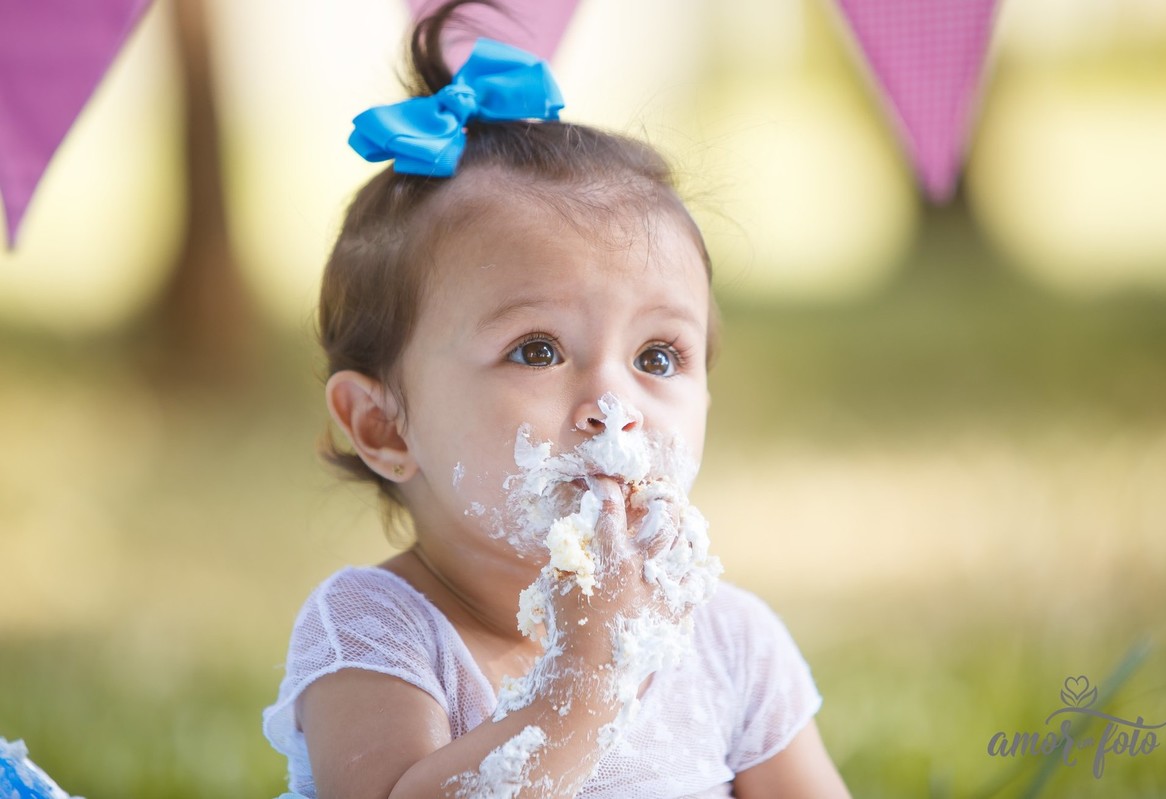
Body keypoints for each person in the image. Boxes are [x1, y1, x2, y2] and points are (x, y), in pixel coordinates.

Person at [263, 2, 851, 796]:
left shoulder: (730, 642)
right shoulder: (379, 630)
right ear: (382, 423)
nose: (613, 404)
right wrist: (585, 672)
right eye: (536, 350)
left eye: (657, 355)